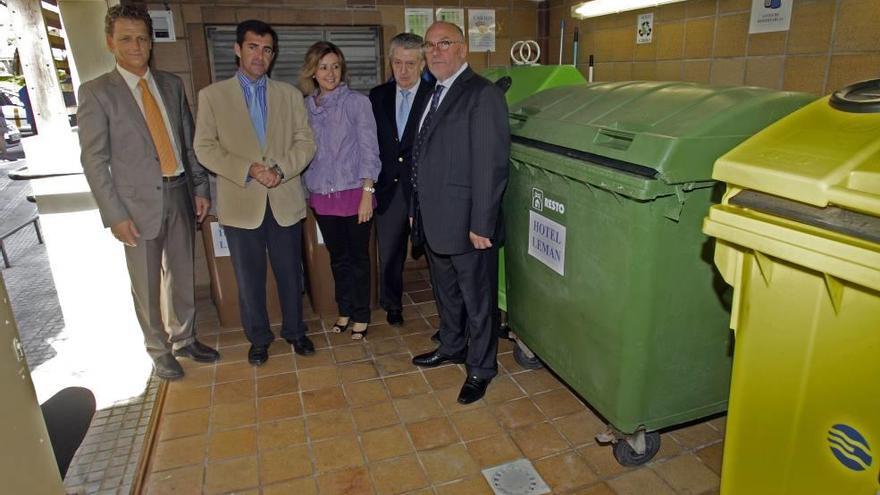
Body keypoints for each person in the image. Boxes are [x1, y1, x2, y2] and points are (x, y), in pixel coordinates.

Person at [78, 5, 219, 380]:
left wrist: (200, 187)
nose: (136, 45)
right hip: (135, 206)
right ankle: (158, 350)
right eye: (126, 38)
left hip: (180, 191)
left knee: (182, 272)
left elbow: (189, 145)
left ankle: (185, 338)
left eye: (142, 37)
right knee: (146, 281)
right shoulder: (96, 93)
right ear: (111, 43)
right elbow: (94, 161)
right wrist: (114, 215)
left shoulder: (171, 85)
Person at [194, 20, 317, 365]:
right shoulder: (212, 96)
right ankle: (259, 339)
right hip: (240, 201)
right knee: (249, 280)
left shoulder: (290, 95)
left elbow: (305, 143)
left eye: (266, 49)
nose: (259, 55)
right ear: (237, 49)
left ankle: (295, 332)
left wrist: (279, 169)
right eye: (252, 47)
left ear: (273, 55)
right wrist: (247, 168)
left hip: (283, 198)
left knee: (291, 274)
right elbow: (204, 148)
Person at [409, 22, 510, 404]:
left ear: (463, 50)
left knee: (478, 300)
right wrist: (417, 210)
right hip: (435, 218)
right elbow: (422, 155)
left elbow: (491, 164)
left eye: (445, 44)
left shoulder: (482, 95)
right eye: (430, 45)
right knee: (446, 293)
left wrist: (481, 223)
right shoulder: (432, 91)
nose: (435, 52)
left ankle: (482, 368)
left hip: (469, 223)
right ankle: (451, 345)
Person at [300, 41, 381, 340]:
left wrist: (367, 193)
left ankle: (361, 315)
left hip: (355, 193)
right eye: (323, 67)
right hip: (322, 196)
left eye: (335, 66)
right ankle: (344, 310)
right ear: (313, 71)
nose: (330, 73)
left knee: (359, 257)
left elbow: (369, 149)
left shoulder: (357, 103)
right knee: (338, 258)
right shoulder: (306, 107)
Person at [368, 33, 431, 328]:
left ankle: (448, 310)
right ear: (390, 62)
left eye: (410, 63)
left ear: (422, 64)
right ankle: (392, 304)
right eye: (397, 63)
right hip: (389, 188)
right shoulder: (377, 96)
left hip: (424, 189)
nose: (403, 71)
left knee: (436, 253)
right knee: (390, 253)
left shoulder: (434, 95)